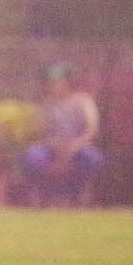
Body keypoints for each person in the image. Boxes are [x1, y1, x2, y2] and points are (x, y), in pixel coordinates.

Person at [20, 62, 105, 206]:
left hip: (78, 146)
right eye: (50, 82)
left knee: (92, 158)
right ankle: (41, 196)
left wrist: (75, 146)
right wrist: (54, 145)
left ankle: (81, 195)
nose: (52, 85)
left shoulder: (83, 101)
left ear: (68, 82)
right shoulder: (47, 103)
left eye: (57, 81)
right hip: (52, 146)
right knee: (32, 156)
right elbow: (41, 131)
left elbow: (92, 128)